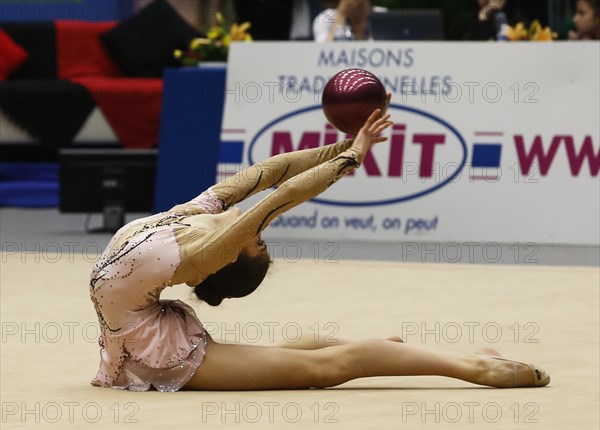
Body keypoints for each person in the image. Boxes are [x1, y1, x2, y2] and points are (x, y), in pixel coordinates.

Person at [89, 99, 550, 392]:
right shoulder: (199, 232)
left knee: (306, 363)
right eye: (260, 238)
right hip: (153, 351)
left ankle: (453, 363)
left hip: (150, 344)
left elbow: (274, 184)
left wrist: (344, 152)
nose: (258, 230)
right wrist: (348, 153)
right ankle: (455, 363)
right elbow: (275, 186)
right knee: (310, 365)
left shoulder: (196, 234)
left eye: (259, 239)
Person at [313, 0, 387, 42]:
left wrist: (361, 22)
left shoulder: (382, 15)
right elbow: (321, 52)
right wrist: (340, 16)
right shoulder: (325, 18)